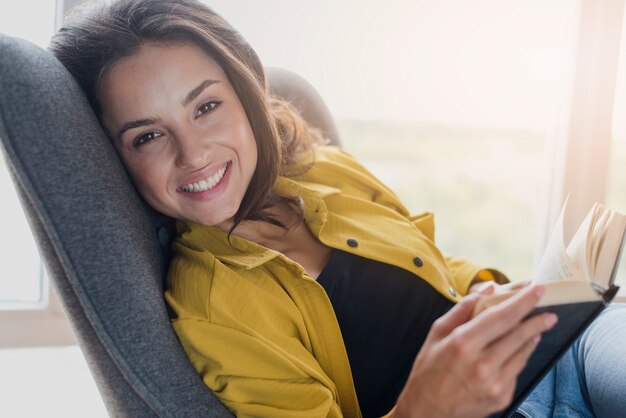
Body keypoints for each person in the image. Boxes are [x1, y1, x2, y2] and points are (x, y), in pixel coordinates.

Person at [49, 0, 626, 417]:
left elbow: (435, 263)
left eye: (206, 107)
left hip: (558, 357)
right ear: (115, 159)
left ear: (246, 94)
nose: (194, 152)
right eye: (148, 136)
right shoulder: (212, 305)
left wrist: (493, 294)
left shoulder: (324, 168)